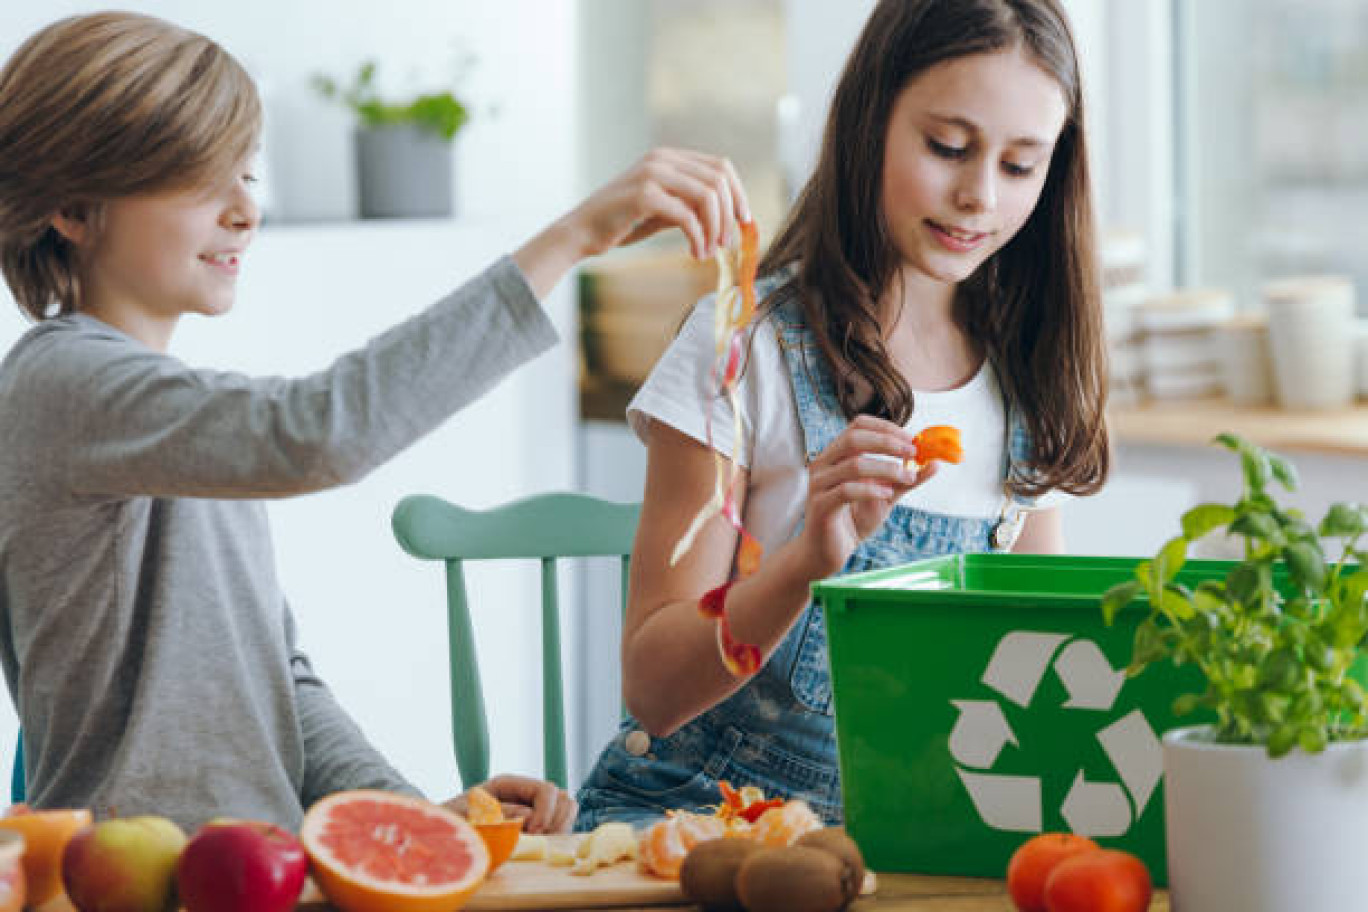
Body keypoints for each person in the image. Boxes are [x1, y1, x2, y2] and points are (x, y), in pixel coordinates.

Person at [0, 11, 750, 834]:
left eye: (246, 175)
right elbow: (319, 432)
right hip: (137, 882)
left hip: (263, 872)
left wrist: (409, 818)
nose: (244, 211)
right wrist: (572, 238)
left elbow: (277, 683)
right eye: (196, 177)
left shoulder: (168, 414)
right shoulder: (59, 384)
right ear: (71, 207)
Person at [575, 0, 1110, 830]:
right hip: (690, 826)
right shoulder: (745, 351)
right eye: (948, 147)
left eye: (1020, 165)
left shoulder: (1025, 381)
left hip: (897, 840)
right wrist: (802, 563)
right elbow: (653, 689)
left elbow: (1029, 666)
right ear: (871, 121)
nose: (977, 196)